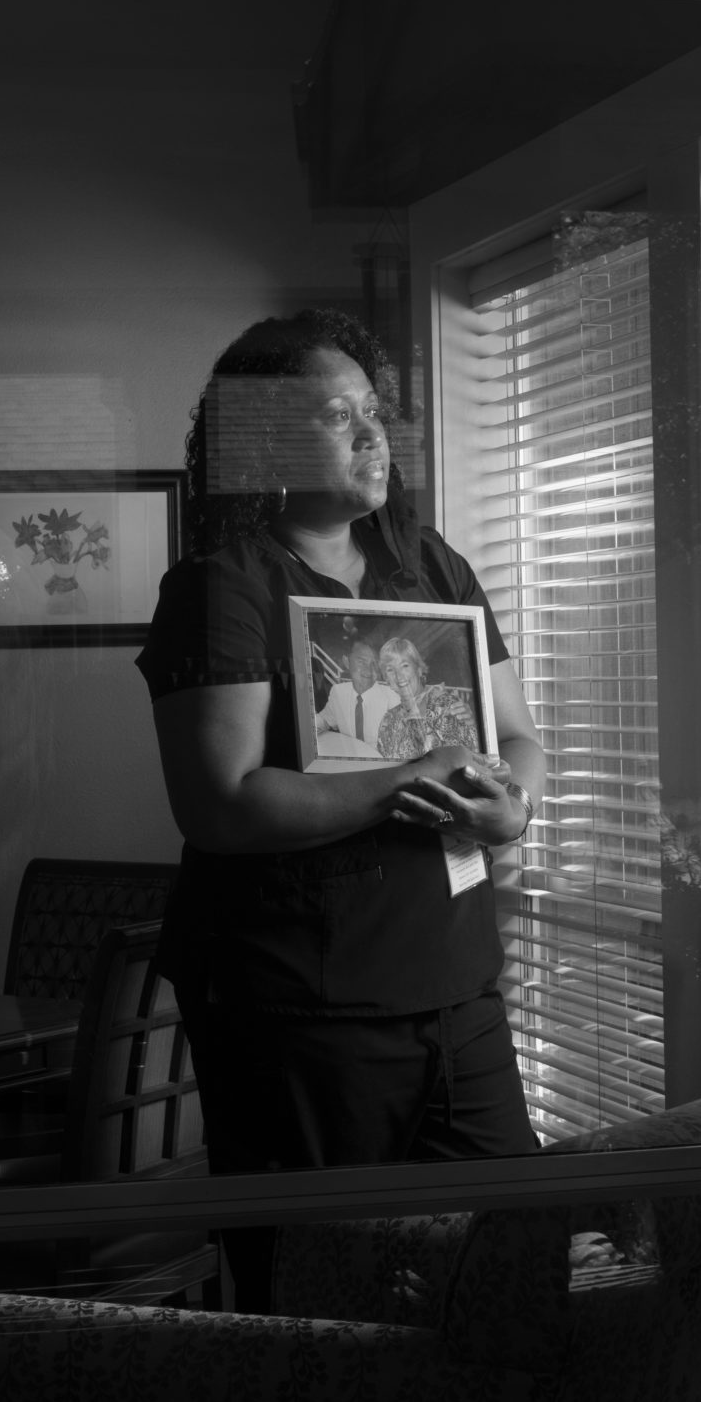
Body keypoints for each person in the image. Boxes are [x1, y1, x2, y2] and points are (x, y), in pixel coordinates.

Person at [135, 308, 546, 1311]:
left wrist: (507, 807)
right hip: (296, 1009)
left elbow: (517, 735)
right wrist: (416, 773)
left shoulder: (431, 566)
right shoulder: (220, 585)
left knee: (518, 1265)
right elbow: (221, 804)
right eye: (336, 414)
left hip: (453, 988)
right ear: (263, 438)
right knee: (328, 1296)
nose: (374, 437)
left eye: (375, 411)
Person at [375, 636, 479, 760]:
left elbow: (463, 763)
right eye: (390, 670)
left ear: (419, 669)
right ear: (386, 679)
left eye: (405, 666)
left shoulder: (446, 707)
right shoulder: (388, 720)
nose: (399, 675)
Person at [315, 637, 401, 752]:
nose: (369, 670)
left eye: (374, 663)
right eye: (362, 662)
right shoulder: (338, 692)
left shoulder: (392, 698)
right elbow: (324, 720)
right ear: (346, 662)